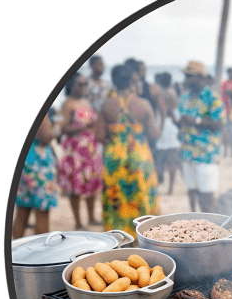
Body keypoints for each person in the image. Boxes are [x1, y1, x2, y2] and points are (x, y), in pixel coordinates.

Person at [96, 64, 160, 237]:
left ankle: (119, 237)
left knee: (115, 199)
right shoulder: (143, 104)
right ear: (132, 82)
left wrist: (115, 137)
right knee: (142, 197)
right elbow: (154, 135)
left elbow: (99, 136)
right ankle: (145, 237)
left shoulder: (107, 104)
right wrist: (164, 114)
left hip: (114, 159)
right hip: (139, 156)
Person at [177, 60, 224, 213]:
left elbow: (219, 124)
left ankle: (217, 232)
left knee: (207, 197)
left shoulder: (212, 98)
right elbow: (184, 122)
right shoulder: (185, 97)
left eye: (189, 76)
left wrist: (196, 121)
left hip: (206, 154)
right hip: (187, 153)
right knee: (193, 193)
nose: (186, 80)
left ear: (200, 77)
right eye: (185, 76)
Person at [58, 72, 102, 230]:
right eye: (80, 84)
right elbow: (63, 128)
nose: (84, 87)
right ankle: (78, 221)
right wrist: (83, 126)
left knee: (92, 183)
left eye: (85, 84)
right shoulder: (68, 104)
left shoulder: (86, 102)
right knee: (75, 186)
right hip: (75, 150)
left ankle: (91, 216)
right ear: (71, 85)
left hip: (89, 148)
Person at [13, 112, 59, 238]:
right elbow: (44, 137)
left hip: (24, 159)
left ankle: (14, 250)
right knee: (42, 212)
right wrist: (55, 129)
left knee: (22, 211)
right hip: (38, 162)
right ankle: (41, 254)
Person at [154, 72, 181, 194]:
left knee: (160, 156)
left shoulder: (160, 94)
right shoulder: (173, 93)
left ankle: (159, 183)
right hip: (173, 124)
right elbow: (176, 110)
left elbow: (162, 112)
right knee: (172, 159)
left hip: (163, 123)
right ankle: (170, 188)